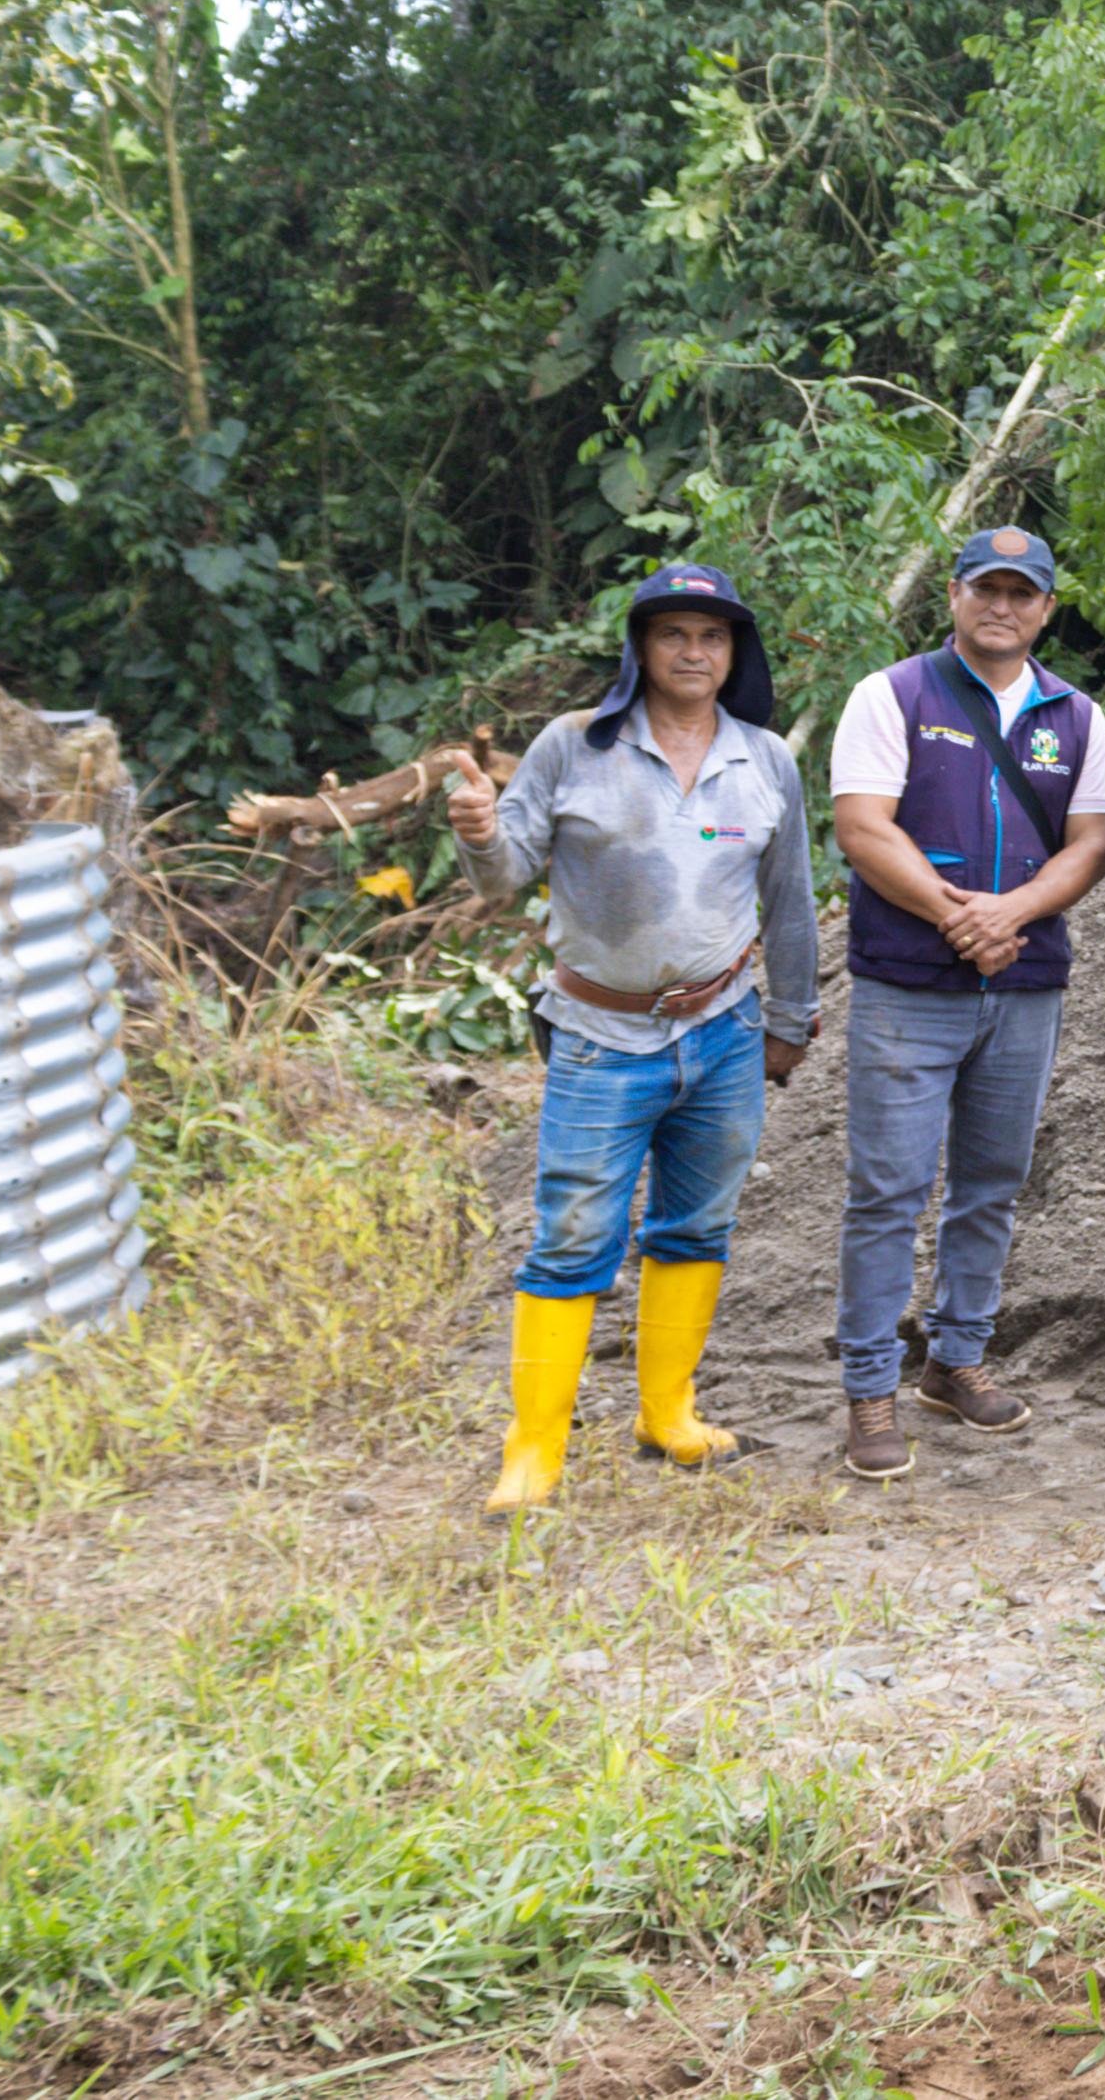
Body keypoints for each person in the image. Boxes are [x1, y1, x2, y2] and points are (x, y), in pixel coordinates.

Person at [449, 563, 818, 1513]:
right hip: (598, 1035)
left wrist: (790, 1019)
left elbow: (790, 902)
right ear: (640, 648)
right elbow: (502, 875)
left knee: (696, 1225)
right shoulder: (575, 745)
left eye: (712, 636)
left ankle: (668, 1414)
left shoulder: (764, 759)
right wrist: (480, 831)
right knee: (572, 1237)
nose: (693, 652)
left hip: (725, 1031)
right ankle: (533, 1451)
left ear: (734, 652)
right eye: (673, 634)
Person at [829, 527, 1105, 1476]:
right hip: (908, 983)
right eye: (985, 588)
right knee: (888, 1190)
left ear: (1046, 608)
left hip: (1024, 985)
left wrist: (1014, 912)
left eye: (1021, 592)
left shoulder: (1077, 716)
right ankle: (870, 1385)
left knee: (992, 1180)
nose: (1002, 606)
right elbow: (863, 827)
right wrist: (959, 916)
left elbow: (1090, 841)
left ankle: (955, 1358)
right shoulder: (892, 695)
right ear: (953, 594)